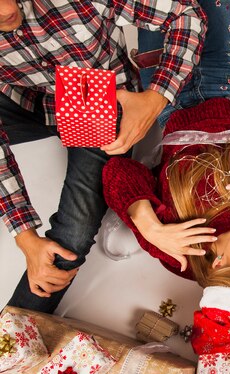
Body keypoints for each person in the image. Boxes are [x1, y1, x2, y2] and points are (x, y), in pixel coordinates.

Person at [2, 0, 207, 313]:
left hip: (98, 98)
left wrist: (156, 98)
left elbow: (187, 13)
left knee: (74, 234)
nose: (5, 8)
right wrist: (25, 237)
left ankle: (15, 336)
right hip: (23, 101)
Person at [102, 0, 230, 299]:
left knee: (156, 5)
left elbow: (118, 170)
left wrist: (149, 228)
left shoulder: (181, 256)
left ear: (222, 266)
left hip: (165, 97)